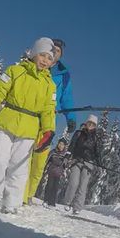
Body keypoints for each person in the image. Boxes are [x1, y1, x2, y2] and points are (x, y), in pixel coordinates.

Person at [0, 37, 57, 214]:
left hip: (29, 130)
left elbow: (48, 110)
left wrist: (48, 131)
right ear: (34, 53)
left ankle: (11, 203)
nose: (45, 60)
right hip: (7, 122)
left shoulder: (49, 85)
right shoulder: (15, 71)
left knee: (19, 168)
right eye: (42, 55)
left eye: (49, 58)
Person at [24, 36, 75, 204]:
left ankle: (29, 194)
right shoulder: (36, 63)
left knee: (40, 158)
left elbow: (66, 98)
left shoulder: (63, 74)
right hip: (29, 114)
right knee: (24, 155)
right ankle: (20, 193)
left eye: (58, 51)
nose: (54, 53)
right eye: (52, 49)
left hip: (49, 118)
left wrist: (71, 117)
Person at [62, 115, 102, 215]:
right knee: (73, 183)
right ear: (86, 123)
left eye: (93, 124)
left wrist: (99, 163)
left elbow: (97, 152)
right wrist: (67, 156)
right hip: (77, 160)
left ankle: (77, 207)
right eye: (89, 123)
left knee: (83, 186)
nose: (91, 125)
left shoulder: (96, 137)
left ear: (95, 126)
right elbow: (72, 145)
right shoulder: (79, 133)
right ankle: (68, 202)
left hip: (89, 162)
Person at [41, 138, 70, 207]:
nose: (60, 146)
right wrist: (45, 169)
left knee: (55, 187)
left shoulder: (65, 154)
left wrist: (66, 159)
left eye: (62, 144)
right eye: (60, 144)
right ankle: (46, 200)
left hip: (59, 173)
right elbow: (47, 160)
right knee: (49, 186)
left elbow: (66, 165)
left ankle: (52, 202)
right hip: (51, 171)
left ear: (64, 146)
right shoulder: (53, 152)